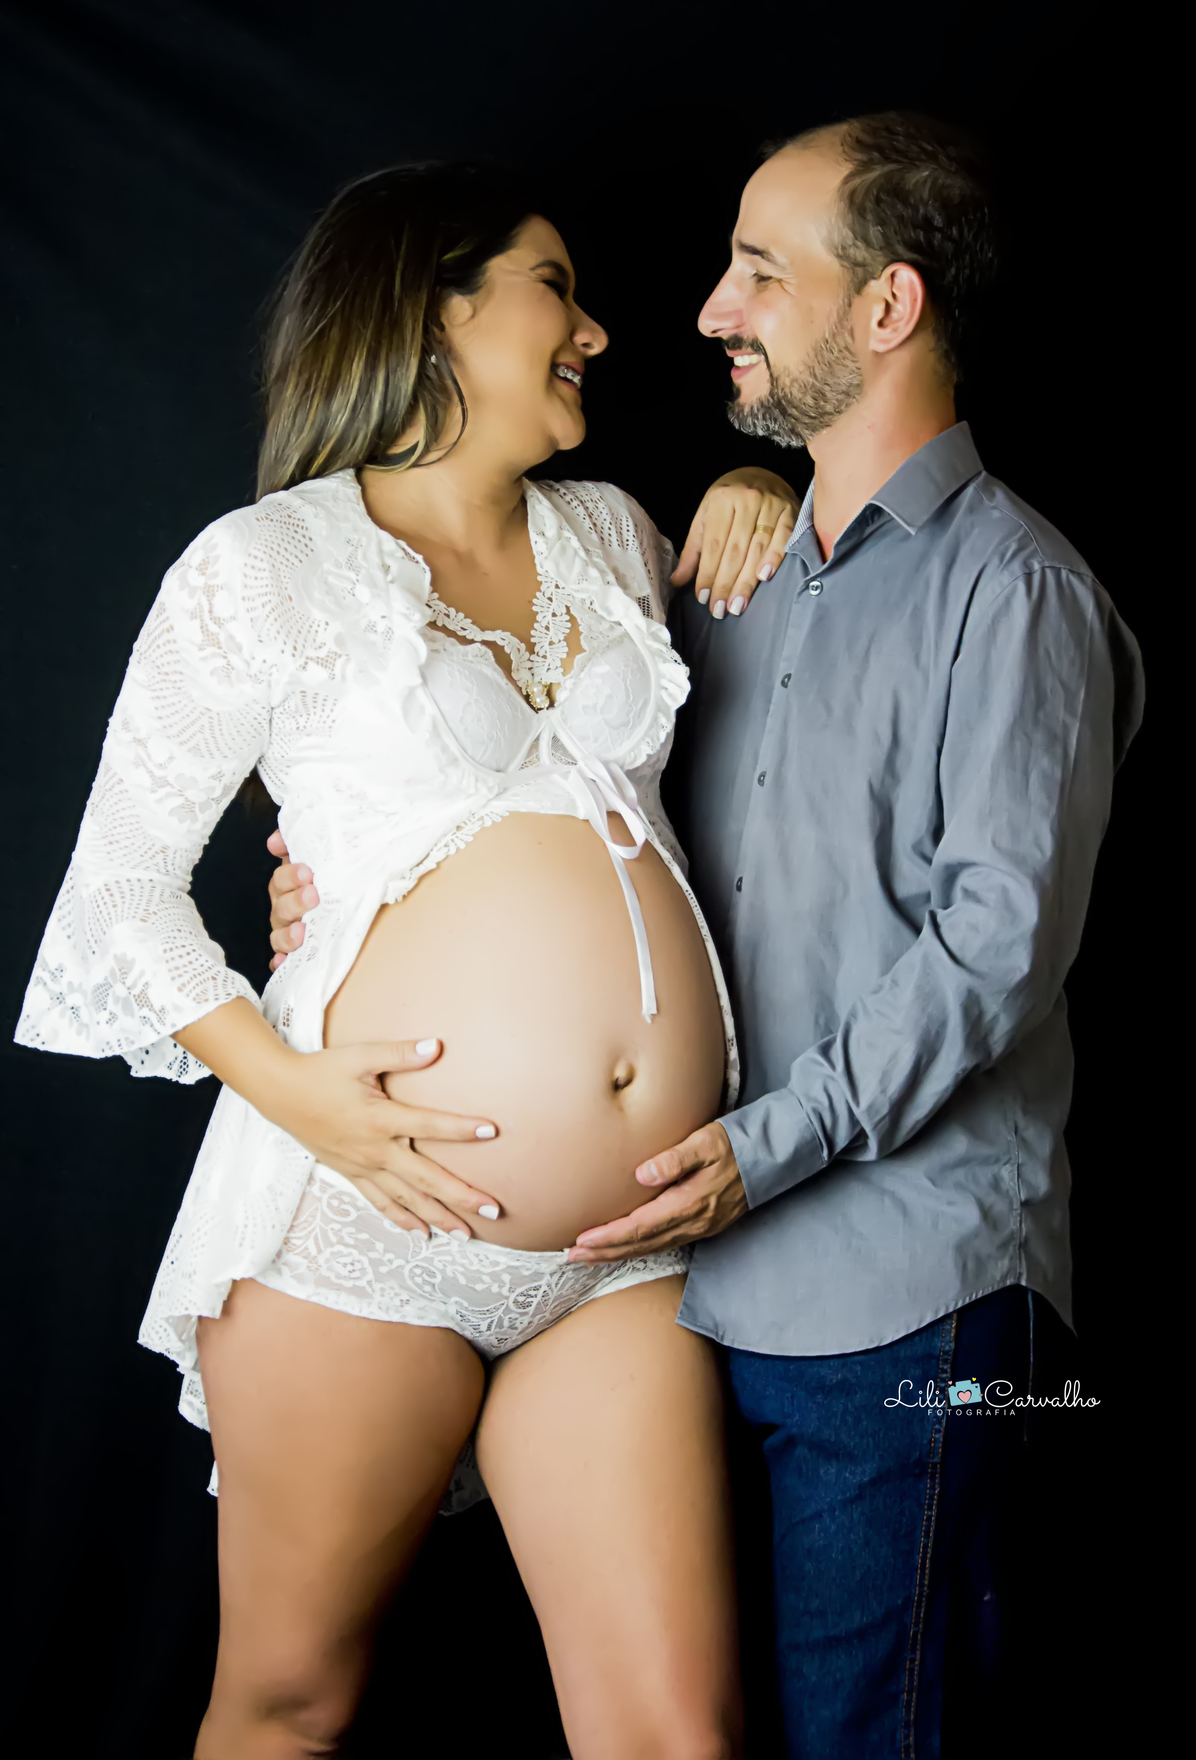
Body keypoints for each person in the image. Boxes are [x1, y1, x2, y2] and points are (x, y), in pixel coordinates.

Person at [272, 116, 1143, 1755]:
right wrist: (329, 873)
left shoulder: (1014, 591)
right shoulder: (722, 575)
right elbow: (548, 794)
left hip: (926, 1314)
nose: (709, 310)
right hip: (694, 1298)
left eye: (762, 270)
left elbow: (998, 949)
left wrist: (766, 1143)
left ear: (886, 310)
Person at [15, 161, 799, 1760]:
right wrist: (302, 1097)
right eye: (551, 285)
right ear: (433, 310)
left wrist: (763, 499)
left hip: (622, 1248)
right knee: (291, 1703)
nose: (593, 326)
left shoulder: (606, 534)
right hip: (358, 1230)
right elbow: (116, 894)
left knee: (676, 1732)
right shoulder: (265, 568)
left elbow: (737, 702)